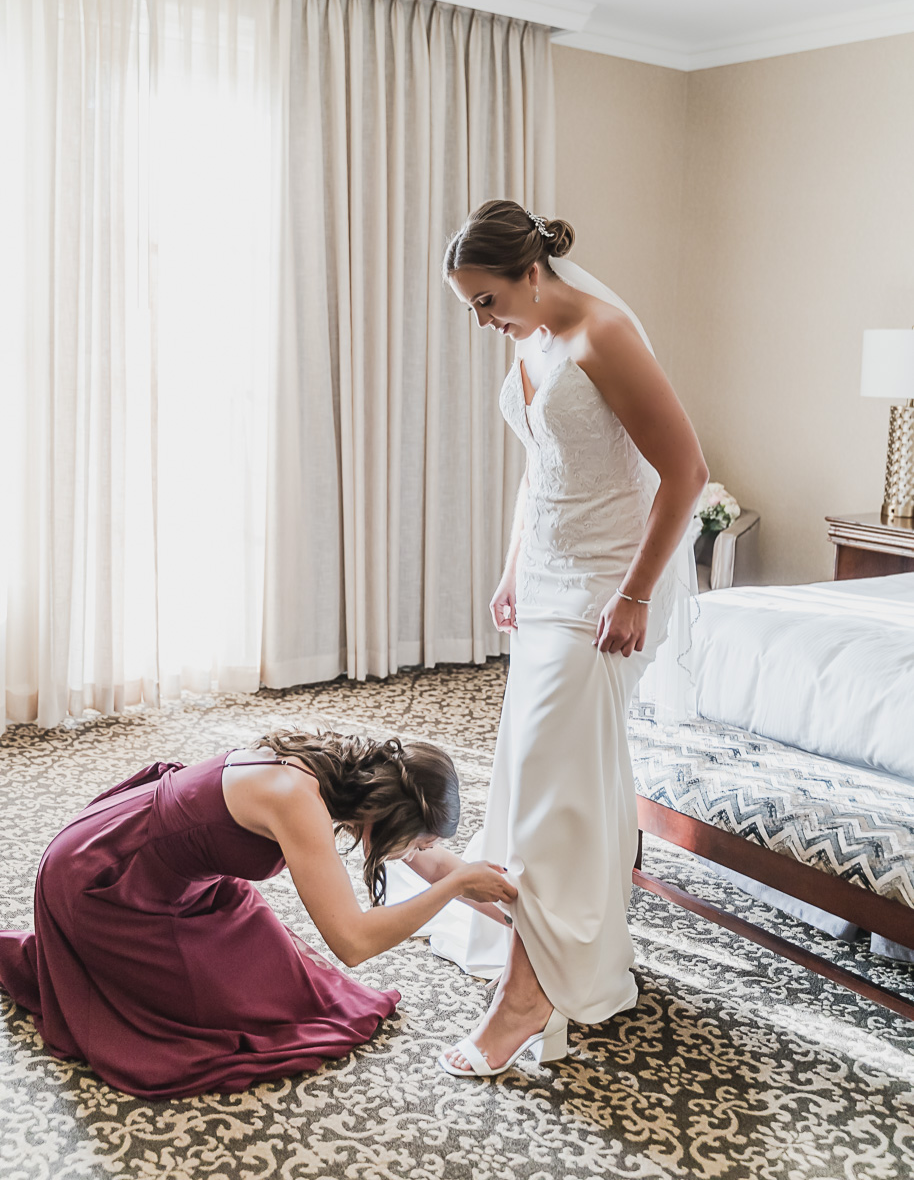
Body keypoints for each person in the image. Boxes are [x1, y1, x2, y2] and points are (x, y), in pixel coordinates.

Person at [404, 199, 707, 1078]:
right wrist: (511, 566)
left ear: (531, 274)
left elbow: (685, 470)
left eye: (487, 300)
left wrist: (637, 593)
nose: (484, 320)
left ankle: (528, 998)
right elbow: (542, 464)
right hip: (544, 580)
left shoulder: (603, 336)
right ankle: (567, 949)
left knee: (549, 784)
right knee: (551, 775)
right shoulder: (528, 335)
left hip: (601, 592)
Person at [0, 729, 516, 1098]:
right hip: (108, 883)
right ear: (390, 814)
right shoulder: (296, 798)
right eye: (417, 837)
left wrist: (526, 926)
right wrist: (454, 888)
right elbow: (353, 943)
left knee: (295, 993)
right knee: (198, 1038)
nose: (415, 851)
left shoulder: (345, 777)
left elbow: (439, 864)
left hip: (180, 876)